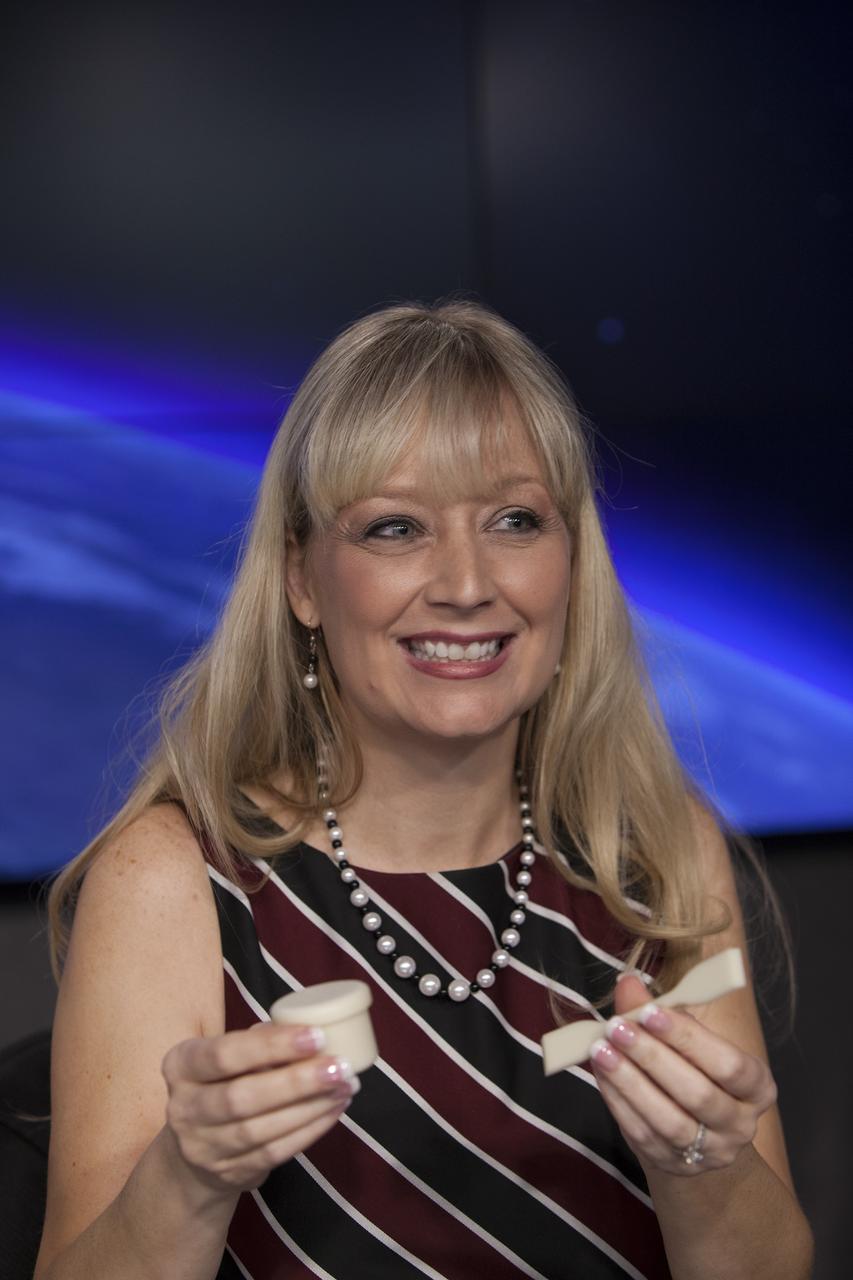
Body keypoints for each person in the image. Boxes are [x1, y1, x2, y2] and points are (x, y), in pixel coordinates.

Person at [36, 299, 813, 1279]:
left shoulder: (652, 846)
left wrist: (699, 1161)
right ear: (302, 580)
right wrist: (188, 1176)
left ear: (570, 561)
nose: (465, 581)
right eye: (396, 527)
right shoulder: (174, 877)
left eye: (515, 520)